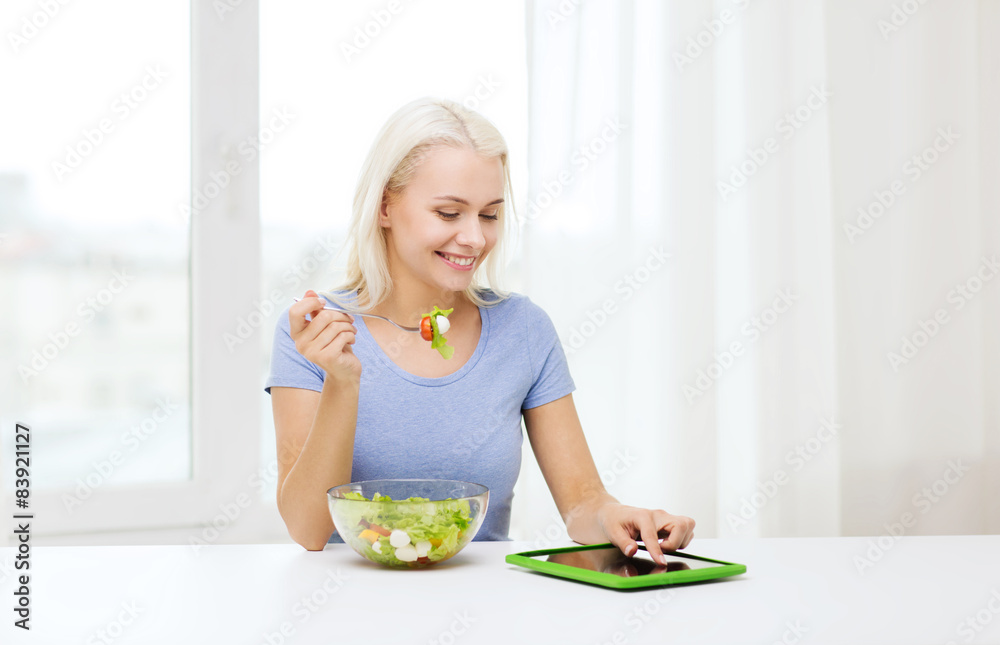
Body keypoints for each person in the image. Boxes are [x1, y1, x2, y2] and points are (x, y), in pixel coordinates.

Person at [265, 97, 695, 564]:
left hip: (484, 608)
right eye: (449, 214)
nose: (474, 238)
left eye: (489, 214)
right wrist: (343, 382)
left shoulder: (523, 330)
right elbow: (308, 529)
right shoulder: (317, 332)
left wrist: (619, 516)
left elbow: (583, 503)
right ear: (385, 206)